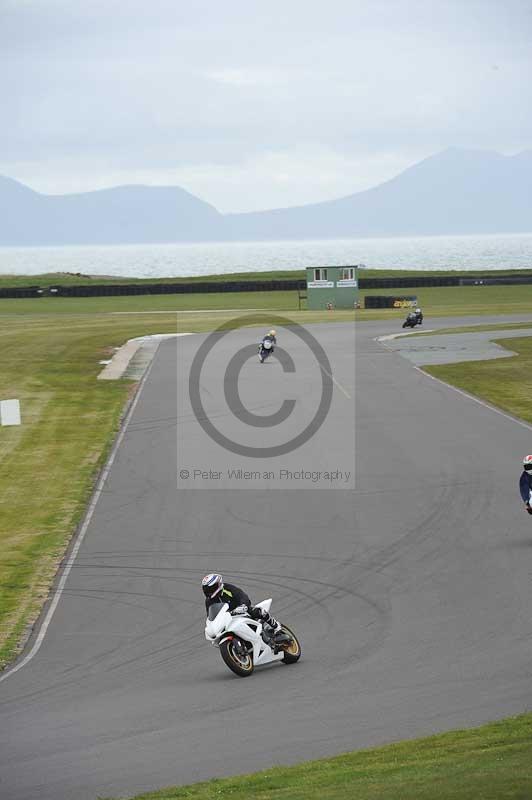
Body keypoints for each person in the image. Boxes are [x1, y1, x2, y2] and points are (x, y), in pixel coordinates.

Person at [201, 573, 283, 638]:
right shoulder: (209, 601)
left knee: (255, 611)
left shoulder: (228, 588)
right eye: (207, 590)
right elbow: (211, 616)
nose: (209, 592)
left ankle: (276, 626)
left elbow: (242, 596)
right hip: (227, 619)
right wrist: (210, 626)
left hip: (241, 610)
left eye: (210, 589)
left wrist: (243, 605)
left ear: (218, 585)